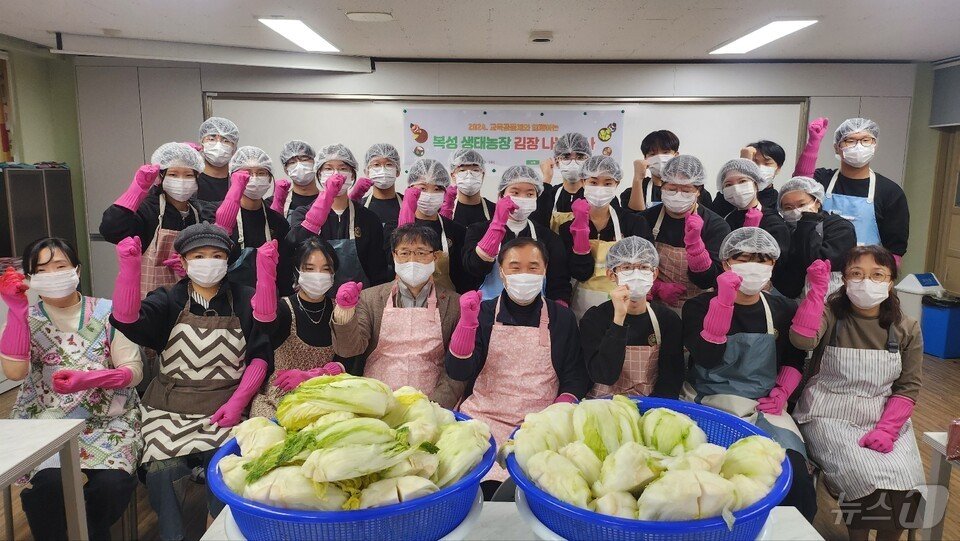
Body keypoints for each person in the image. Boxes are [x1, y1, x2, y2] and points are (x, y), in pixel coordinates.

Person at [109, 223, 273, 541]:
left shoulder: (245, 299)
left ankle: (217, 532)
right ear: (183, 263)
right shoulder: (168, 300)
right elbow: (127, 319)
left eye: (216, 255)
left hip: (226, 405)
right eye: (198, 255)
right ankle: (172, 535)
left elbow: (260, 356)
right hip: (168, 408)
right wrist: (128, 270)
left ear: (228, 261)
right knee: (162, 472)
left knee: (227, 469)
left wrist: (239, 400)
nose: (208, 262)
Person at [1, 238, 141, 541]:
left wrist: (90, 379)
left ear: (76, 268)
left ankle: (85, 528)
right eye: (42, 270)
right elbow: (15, 372)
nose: (53, 274)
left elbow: (133, 372)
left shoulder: (108, 312)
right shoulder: (27, 318)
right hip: (49, 420)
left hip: (108, 421)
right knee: (49, 486)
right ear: (30, 278)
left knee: (113, 486)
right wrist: (15, 312)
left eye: (60, 266)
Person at [681, 227, 816, 521]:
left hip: (764, 404)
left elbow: (795, 355)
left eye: (764, 260)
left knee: (792, 471)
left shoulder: (782, 307)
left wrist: (783, 390)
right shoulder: (698, 306)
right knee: (711, 476)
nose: (755, 266)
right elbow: (706, 356)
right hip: (707, 399)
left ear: (774, 265)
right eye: (745, 258)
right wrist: (723, 305)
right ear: (726, 263)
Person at [791, 246, 924, 541]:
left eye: (877, 275)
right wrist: (816, 293)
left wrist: (888, 429)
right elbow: (801, 340)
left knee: (906, 482)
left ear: (890, 282)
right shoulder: (831, 314)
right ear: (845, 280)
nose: (867, 282)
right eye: (856, 274)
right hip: (827, 410)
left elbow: (908, 386)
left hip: (884, 415)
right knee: (865, 477)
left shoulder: (906, 328)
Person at [446, 237, 590, 486]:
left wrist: (559, 408)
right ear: (501, 272)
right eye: (515, 267)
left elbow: (575, 375)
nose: (524, 274)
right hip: (483, 418)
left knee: (537, 481)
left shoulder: (562, 317)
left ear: (545, 271)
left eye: (533, 267)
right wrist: (466, 325)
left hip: (539, 420)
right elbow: (458, 371)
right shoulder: (484, 312)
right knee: (475, 478)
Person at [330, 225, 465, 408]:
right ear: (394, 255)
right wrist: (345, 311)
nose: (412, 260)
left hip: (430, 404)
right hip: (375, 400)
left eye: (421, 253)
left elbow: (457, 369)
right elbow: (348, 349)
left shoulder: (454, 304)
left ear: (435, 257)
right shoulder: (370, 299)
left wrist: (434, 407)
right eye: (405, 253)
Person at [100, 142, 216, 296]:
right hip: (150, 300)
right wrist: (136, 190)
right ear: (160, 177)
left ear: (197, 178)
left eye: (188, 175)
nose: (181, 181)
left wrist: (194, 265)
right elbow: (110, 230)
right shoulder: (147, 209)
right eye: (173, 174)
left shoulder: (200, 211)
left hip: (192, 298)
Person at [249, 238, 346, 418]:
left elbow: (351, 360)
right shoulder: (284, 308)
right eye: (309, 269)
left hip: (325, 397)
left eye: (326, 269)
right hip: (280, 398)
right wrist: (265, 278)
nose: (318, 274)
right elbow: (266, 325)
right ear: (297, 271)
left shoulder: (339, 310)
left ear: (334, 273)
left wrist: (319, 374)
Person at [578, 237, 684, 399]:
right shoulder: (594, 319)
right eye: (627, 267)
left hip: (650, 403)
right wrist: (618, 320)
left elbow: (671, 379)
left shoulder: (667, 320)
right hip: (603, 404)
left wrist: (654, 412)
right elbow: (603, 376)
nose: (636, 274)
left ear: (654, 273)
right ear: (611, 275)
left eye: (643, 267)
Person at [795, 117, 910, 262]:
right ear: (837, 147)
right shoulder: (823, 180)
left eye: (866, 140)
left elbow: (895, 249)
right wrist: (813, 143)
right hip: (819, 268)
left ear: (875, 145)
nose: (859, 146)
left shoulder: (890, 192)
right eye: (850, 141)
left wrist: (882, 279)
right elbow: (799, 184)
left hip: (864, 272)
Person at [286, 144, 392, 288]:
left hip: (361, 299)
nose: (336, 173)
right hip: (316, 298)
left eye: (343, 168)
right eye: (328, 168)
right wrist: (319, 210)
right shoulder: (302, 213)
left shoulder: (368, 219)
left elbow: (377, 272)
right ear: (319, 174)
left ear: (352, 175)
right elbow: (294, 246)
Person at [462, 166, 573, 304]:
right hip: (487, 312)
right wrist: (496, 228)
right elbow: (473, 268)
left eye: (530, 194)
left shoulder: (548, 238)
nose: (522, 198)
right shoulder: (478, 230)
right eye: (515, 192)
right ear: (500, 196)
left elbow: (559, 283)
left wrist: (559, 312)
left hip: (537, 315)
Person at [559, 156, 652, 318]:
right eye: (593, 182)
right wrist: (580, 231)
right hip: (582, 306)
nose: (600, 188)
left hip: (625, 303)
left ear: (617, 183)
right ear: (583, 182)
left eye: (608, 183)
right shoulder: (568, 228)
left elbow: (646, 266)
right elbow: (580, 274)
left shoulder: (634, 223)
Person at [639, 155, 730, 310]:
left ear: (698, 191)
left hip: (701, 307)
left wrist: (696, 248)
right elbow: (634, 263)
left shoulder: (716, 225)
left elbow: (713, 279)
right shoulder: (646, 219)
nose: (678, 195)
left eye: (686, 190)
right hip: (655, 305)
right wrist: (656, 287)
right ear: (661, 186)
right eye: (672, 189)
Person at [214, 146, 292, 290]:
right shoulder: (214, 213)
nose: (254, 178)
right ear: (233, 177)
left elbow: (284, 271)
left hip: (268, 297)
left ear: (270, 179)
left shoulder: (277, 222)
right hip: (227, 298)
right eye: (247, 173)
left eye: (261, 173)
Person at [391, 158, 472, 293]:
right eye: (423, 188)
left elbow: (463, 276)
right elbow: (390, 263)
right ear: (410, 189)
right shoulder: (392, 227)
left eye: (437, 189)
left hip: (446, 303)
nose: (429, 194)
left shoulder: (456, 230)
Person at [772, 177, 856, 299]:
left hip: (830, 299)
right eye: (788, 208)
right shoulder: (785, 231)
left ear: (817, 202)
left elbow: (816, 262)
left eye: (802, 204)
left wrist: (807, 221)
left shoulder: (839, 227)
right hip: (789, 299)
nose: (796, 211)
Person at [715, 158, 791, 266]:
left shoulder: (773, 221)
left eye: (742, 181)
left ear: (756, 184)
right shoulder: (727, 220)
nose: (736, 188)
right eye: (728, 184)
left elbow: (778, 263)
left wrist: (752, 237)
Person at [621, 129, 711, 211]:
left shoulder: (694, 190)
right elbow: (635, 218)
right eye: (652, 154)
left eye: (665, 152)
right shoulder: (633, 191)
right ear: (645, 159)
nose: (659, 158)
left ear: (676, 156)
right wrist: (638, 178)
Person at [534, 132, 591, 231]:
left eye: (580, 157)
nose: (573, 162)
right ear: (557, 161)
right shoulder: (549, 194)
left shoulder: (597, 195)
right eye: (566, 157)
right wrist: (547, 178)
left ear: (588, 161)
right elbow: (537, 226)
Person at [711, 140, 785, 216]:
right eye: (754, 162)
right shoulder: (730, 191)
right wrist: (743, 166)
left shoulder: (778, 201)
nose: (758, 168)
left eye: (767, 163)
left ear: (778, 168)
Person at [358, 143, 404, 230]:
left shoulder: (408, 204)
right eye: (376, 165)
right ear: (367, 172)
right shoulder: (360, 206)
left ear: (397, 171)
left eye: (389, 164)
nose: (383, 170)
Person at [267, 140, 318, 218]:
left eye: (304, 160)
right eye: (292, 162)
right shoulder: (272, 202)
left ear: (316, 163)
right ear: (286, 170)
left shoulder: (331, 201)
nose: (299, 165)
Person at [196, 117, 240, 202]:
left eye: (226, 140)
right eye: (212, 139)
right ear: (201, 144)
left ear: (234, 148)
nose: (218, 145)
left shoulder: (237, 184)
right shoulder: (192, 181)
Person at [448, 148, 495, 227]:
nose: (469, 175)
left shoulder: (495, 210)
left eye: (475, 170)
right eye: (462, 170)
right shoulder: (446, 210)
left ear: (482, 175)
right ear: (453, 176)